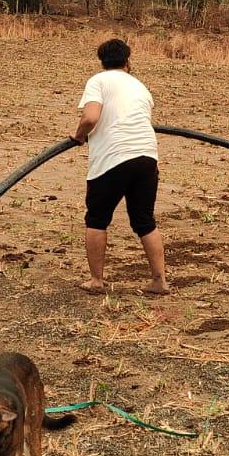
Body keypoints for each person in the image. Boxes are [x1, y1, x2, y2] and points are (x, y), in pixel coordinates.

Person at [71, 38, 169, 296]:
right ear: (127, 62)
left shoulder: (99, 81)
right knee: (144, 220)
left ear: (102, 62)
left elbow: (91, 117)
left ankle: (96, 281)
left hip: (113, 159)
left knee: (97, 219)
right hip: (147, 157)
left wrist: (79, 135)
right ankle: (159, 281)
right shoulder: (140, 87)